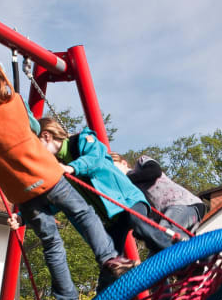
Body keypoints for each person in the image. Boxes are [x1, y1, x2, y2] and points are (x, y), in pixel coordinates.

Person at [0, 57, 133, 300]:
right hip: (48, 176)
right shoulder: (14, 102)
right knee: (84, 214)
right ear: (0, 79)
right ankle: (109, 259)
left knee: (51, 243)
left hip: (22, 194)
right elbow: (35, 127)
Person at [36, 119, 172, 291]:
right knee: (111, 263)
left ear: (46, 136)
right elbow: (56, 200)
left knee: (140, 226)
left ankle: (180, 255)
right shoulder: (58, 168)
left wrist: (72, 167)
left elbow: (95, 158)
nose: (37, 154)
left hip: (128, 200)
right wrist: (22, 217)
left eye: (37, 146)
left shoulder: (81, 141)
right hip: (112, 219)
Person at [114, 153, 206, 236]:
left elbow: (154, 171)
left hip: (183, 203)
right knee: (160, 243)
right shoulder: (126, 190)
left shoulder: (140, 163)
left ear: (124, 163)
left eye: (114, 168)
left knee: (166, 232)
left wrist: (127, 179)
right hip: (166, 215)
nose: (113, 173)